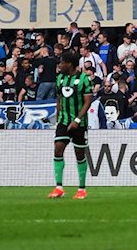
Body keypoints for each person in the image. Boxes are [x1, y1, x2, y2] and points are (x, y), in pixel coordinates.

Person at [48, 52, 94, 200]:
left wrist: (77, 120)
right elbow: (59, 99)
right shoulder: (60, 79)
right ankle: (59, 187)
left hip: (79, 123)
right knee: (58, 148)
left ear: (69, 64)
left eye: (61, 63)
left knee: (79, 154)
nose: (59, 65)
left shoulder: (84, 79)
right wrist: (58, 116)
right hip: (63, 120)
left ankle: (82, 189)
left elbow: (88, 101)